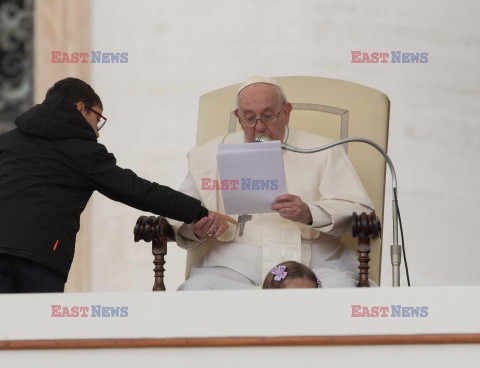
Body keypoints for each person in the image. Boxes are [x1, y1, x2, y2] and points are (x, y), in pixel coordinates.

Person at [0, 77, 230, 293]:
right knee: (35, 331)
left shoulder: (8, 141)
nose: (97, 133)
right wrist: (197, 211)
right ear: (81, 108)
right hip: (39, 258)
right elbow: (137, 190)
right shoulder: (82, 150)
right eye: (98, 119)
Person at [172, 76, 374, 290]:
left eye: (268, 116)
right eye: (249, 118)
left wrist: (310, 212)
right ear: (238, 116)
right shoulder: (208, 156)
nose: (259, 127)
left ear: (286, 113)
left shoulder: (324, 150)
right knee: (197, 289)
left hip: (314, 265)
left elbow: (360, 211)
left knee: (339, 289)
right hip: (234, 269)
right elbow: (177, 216)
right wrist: (197, 229)